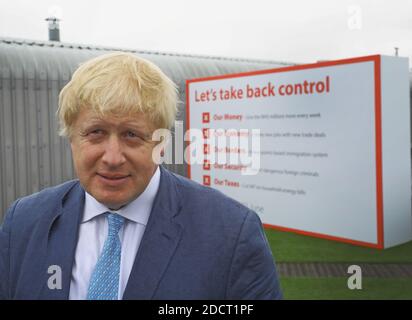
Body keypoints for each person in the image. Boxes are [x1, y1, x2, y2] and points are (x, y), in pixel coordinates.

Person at [0, 52, 282, 300]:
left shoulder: (230, 234)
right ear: (72, 137)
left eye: (131, 135)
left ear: (161, 143)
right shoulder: (24, 222)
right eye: (96, 132)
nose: (112, 158)